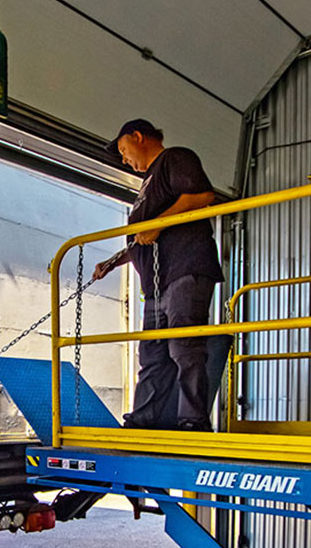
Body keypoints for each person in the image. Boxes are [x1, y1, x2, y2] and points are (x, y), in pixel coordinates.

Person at [90, 119, 223, 431]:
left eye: (124, 150)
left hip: (185, 270)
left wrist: (158, 223)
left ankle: (193, 420)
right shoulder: (147, 186)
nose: (125, 159)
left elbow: (201, 197)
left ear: (138, 137)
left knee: (184, 348)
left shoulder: (175, 158)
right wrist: (113, 262)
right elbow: (142, 237)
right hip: (156, 286)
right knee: (151, 354)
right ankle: (144, 419)